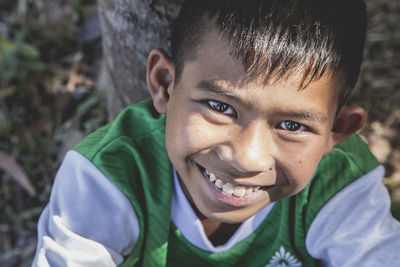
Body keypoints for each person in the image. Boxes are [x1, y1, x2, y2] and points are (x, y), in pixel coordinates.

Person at [32, 0, 400, 266]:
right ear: (164, 85)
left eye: (292, 126)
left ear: (337, 131)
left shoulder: (341, 185)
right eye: (220, 107)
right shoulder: (109, 177)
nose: (246, 157)